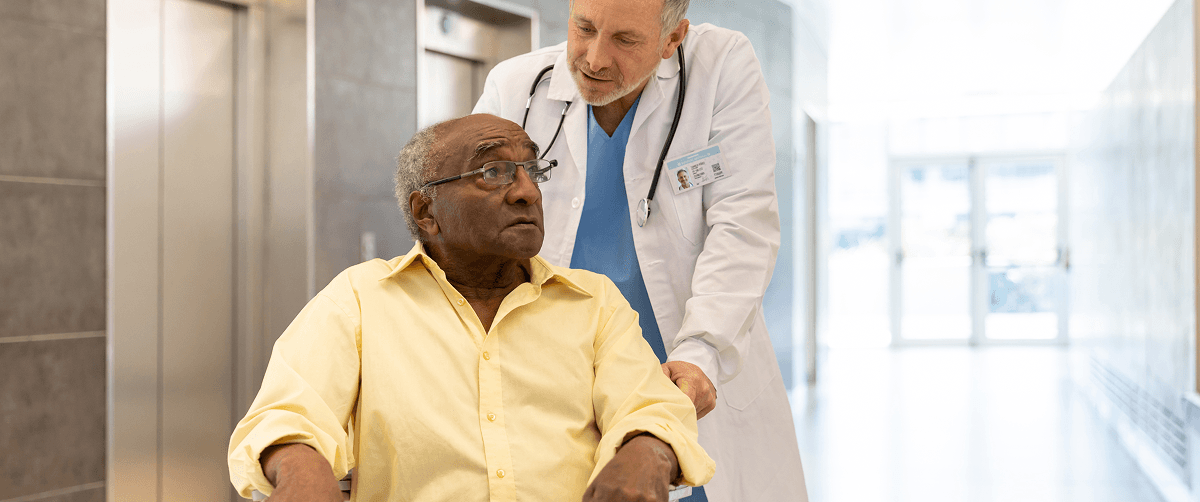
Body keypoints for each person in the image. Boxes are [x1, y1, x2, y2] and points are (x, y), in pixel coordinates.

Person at [227, 114, 714, 502]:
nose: (527, 191)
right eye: (493, 172)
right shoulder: (360, 298)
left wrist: (647, 450)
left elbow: (647, 405)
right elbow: (288, 413)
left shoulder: (593, 302)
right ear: (426, 213)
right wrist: (300, 471)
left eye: (532, 170)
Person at [473, 0, 807, 500]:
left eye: (625, 41)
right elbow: (468, 221)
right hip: (558, 385)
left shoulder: (719, 68)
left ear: (673, 38)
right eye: (583, 28)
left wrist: (702, 354)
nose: (594, 59)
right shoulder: (516, 87)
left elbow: (742, 225)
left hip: (689, 372)